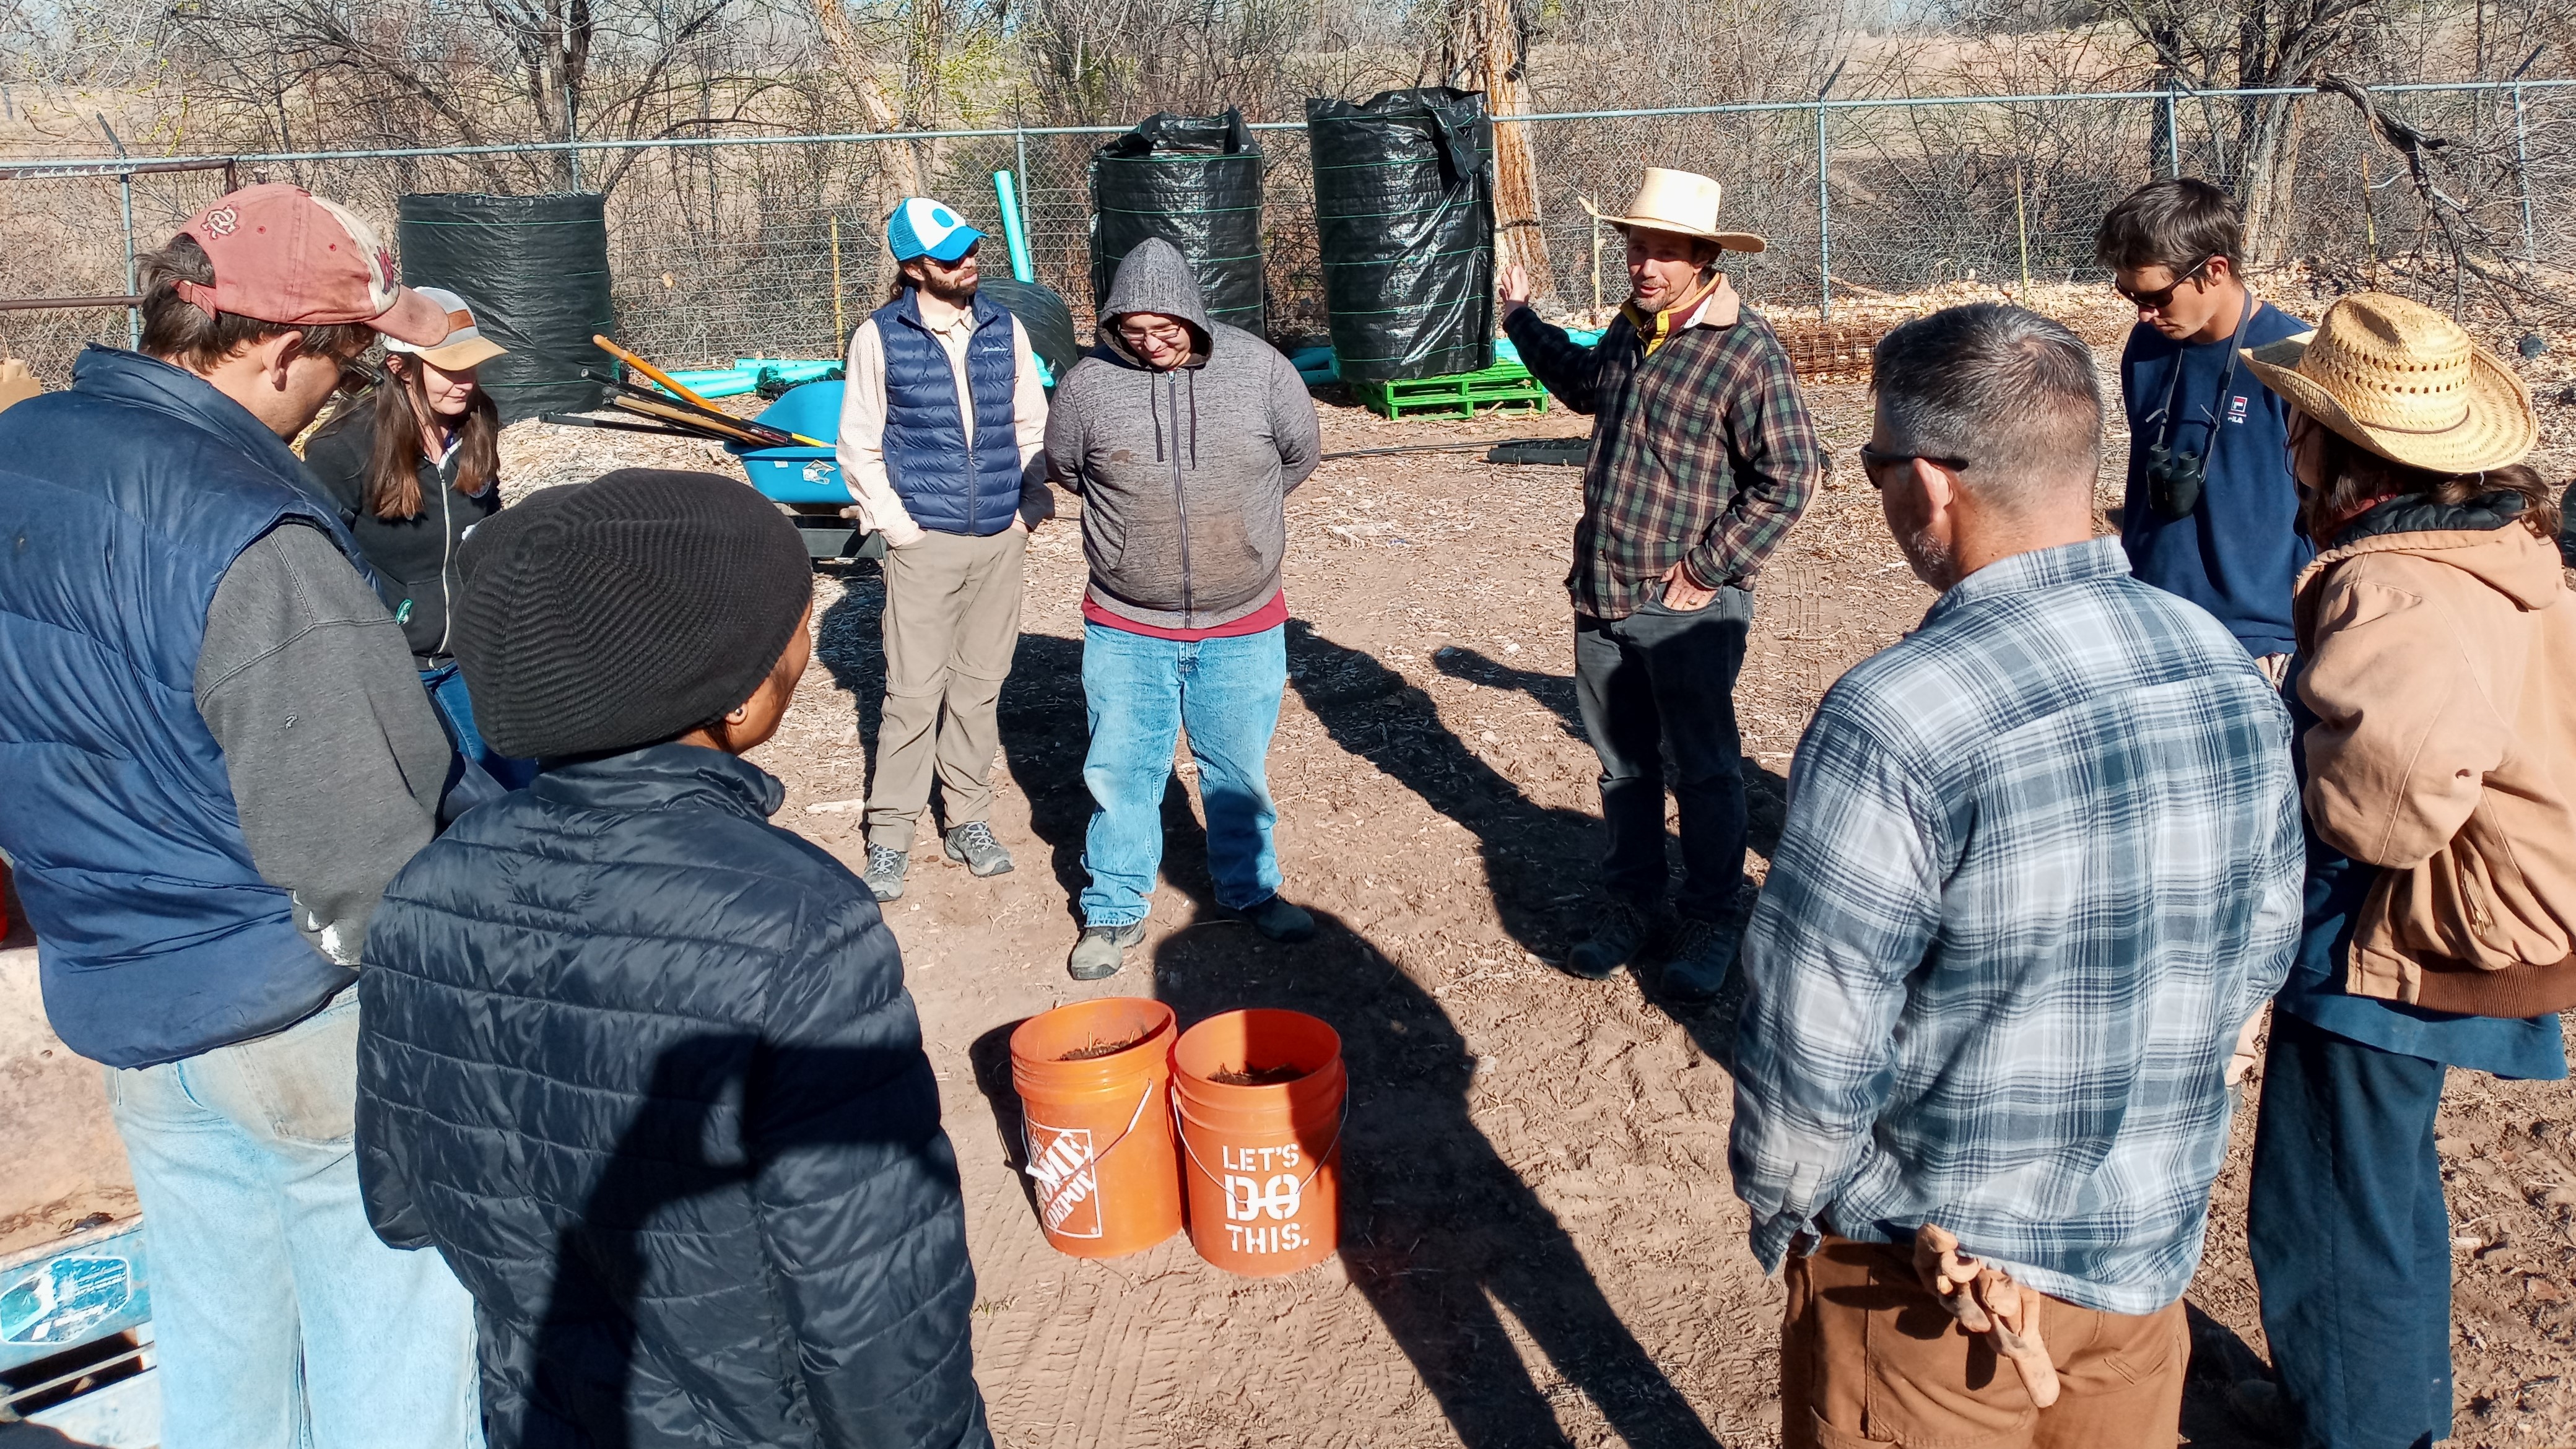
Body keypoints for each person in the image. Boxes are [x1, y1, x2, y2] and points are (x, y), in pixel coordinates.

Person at [1728, 303, 2304, 1449]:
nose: (1882, 490)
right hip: (2141, 1275)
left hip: (1928, 1291)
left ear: (1934, 484)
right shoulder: (2224, 668)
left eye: (1877, 463)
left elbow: (1813, 1031)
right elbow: (2260, 947)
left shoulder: (1896, 717)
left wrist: (1795, 1211)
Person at [355, 469, 993, 1449]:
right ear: (734, 700)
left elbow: (400, 1204)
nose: (807, 645)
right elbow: (874, 1310)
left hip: (544, 1412)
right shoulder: (798, 923)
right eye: (797, 630)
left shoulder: (424, 891)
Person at [0, 184, 481, 1448]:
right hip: (294, 1010)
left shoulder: (23, 448)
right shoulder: (250, 528)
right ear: (277, 347)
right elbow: (368, 842)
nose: (346, 387)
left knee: (225, 1365)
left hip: (120, 990)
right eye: (346, 357)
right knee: (396, 1358)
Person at [2230, 293, 2571, 1449]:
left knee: (2327, 1209)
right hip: (2487, 911)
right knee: (2379, 1190)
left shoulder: (2398, 585)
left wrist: (2301, 750)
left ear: (2343, 454)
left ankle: (2362, 1428)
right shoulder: (2495, 548)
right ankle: (2373, 1407)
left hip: (2396, 937)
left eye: (2302, 424)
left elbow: (2394, 801)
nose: (2288, 441)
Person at [1500, 167, 1821, 1001]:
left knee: (1706, 770)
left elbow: (1791, 475)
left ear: (1705, 258)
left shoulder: (1744, 352)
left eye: (1664, 253)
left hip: (1685, 609)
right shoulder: (1632, 329)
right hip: (1601, 590)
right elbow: (1583, 386)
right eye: (1637, 248)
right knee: (1623, 767)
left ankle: (1714, 912)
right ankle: (1633, 900)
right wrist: (1520, 319)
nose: (1645, 265)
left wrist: (1707, 568)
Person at [1043, 238, 1324, 980]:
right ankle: (1112, 907)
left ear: (1194, 317)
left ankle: (1250, 891)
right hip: (1126, 621)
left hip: (1244, 617)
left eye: (1165, 329)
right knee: (1122, 769)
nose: (1151, 343)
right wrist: (1135, 537)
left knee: (1235, 768)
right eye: (1132, 331)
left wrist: (1240, 526)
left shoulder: (1262, 369)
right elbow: (1067, 467)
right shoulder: (1087, 385)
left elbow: (1299, 455)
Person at [836, 196, 1053, 902]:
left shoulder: (1002, 326)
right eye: (950, 256)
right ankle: (891, 835)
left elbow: (1032, 424)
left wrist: (1028, 509)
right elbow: (860, 445)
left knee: (977, 688)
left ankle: (966, 818)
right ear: (912, 267)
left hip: (999, 538)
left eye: (970, 249)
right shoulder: (880, 337)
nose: (968, 263)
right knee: (911, 695)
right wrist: (899, 529)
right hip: (924, 543)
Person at [304, 284, 533, 788]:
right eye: (450, 368)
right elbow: (319, 564)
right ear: (400, 368)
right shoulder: (343, 449)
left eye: (471, 366)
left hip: (474, 651)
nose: (465, 383)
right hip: (400, 666)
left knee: (521, 781)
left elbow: (485, 525)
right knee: (466, 793)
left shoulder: (478, 423)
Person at [2096, 178, 2313, 679]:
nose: (2144, 313)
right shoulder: (2146, 345)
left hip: (2254, 641)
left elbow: (2328, 511)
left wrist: (2283, 634)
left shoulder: (2294, 358)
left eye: (2156, 296)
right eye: (2128, 295)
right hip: (2150, 622)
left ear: (2215, 270)